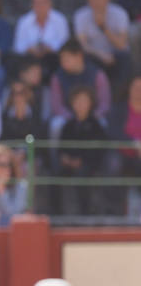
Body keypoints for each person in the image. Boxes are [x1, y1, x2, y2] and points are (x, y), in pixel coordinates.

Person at [56, 86, 113, 216]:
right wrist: (66, 158)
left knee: (82, 175)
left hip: (89, 165)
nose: (80, 105)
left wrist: (82, 161)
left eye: (84, 101)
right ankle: (58, 213)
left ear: (90, 103)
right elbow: (61, 148)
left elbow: (99, 149)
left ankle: (84, 214)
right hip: (69, 164)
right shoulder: (68, 125)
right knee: (54, 176)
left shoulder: (96, 125)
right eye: (77, 101)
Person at [46, 39, 111, 138]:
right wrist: (73, 118)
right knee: (56, 125)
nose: (63, 63)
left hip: (93, 116)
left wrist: (89, 117)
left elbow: (104, 104)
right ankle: (58, 154)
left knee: (102, 123)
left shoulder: (98, 75)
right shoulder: (57, 77)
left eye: (67, 59)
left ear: (79, 56)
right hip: (68, 117)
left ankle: (100, 153)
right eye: (61, 59)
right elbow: (56, 106)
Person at [73, 0, 132, 84]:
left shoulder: (120, 13)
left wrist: (104, 28)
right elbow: (83, 45)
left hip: (116, 54)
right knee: (82, 58)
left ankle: (120, 96)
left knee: (125, 56)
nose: (94, 2)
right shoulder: (81, 16)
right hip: (94, 55)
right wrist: (101, 55)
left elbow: (122, 45)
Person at [13, 0, 69, 76]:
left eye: (44, 2)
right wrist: (30, 49)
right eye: (37, 2)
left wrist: (50, 48)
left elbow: (65, 44)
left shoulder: (60, 20)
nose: (40, 5)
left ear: (50, 3)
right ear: (32, 5)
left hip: (53, 58)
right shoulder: (24, 22)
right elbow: (18, 47)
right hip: (30, 59)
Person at [0, 80, 47, 147]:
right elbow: (3, 141)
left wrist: (24, 152)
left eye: (21, 92)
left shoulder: (36, 115)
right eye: (14, 93)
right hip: (10, 154)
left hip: (30, 153)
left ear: (28, 94)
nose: (18, 96)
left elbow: (39, 140)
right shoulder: (5, 116)